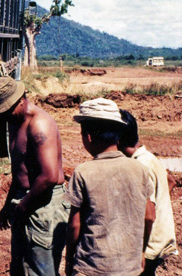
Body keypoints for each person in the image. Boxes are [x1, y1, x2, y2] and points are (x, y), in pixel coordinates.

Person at [0, 77, 69, 276]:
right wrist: (8, 204)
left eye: (7, 110)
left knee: (40, 271)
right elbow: (20, 170)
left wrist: (23, 206)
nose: (4, 116)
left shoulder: (39, 124)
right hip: (26, 199)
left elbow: (49, 176)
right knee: (20, 268)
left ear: (21, 99)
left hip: (43, 205)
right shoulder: (14, 120)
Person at [65, 98, 155, 276]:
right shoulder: (141, 170)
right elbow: (149, 217)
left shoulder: (83, 172)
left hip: (92, 268)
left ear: (88, 137)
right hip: (129, 268)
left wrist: (69, 259)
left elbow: (75, 225)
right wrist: (142, 251)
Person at [119, 110, 177, 276]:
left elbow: (148, 216)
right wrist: (158, 202)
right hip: (159, 238)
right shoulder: (147, 157)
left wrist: (141, 251)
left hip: (148, 244)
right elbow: (170, 181)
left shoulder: (140, 166)